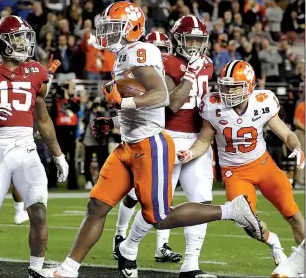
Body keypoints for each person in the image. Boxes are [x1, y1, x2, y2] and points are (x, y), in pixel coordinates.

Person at [29, 3, 263, 278]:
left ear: (133, 28)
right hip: (129, 144)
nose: (108, 33)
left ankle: (230, 210)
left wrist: (123, 100)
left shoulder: (140, 52)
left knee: (159, 218)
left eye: (115, 27)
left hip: (150, 146)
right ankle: (68, 269)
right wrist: (115, 120)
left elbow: (160, 96)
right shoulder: (125, 55)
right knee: (97, 205)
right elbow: (144, 106)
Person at [0, 15, 68, 278]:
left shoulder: (36, 72)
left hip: (27, 149)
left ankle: (36, 267)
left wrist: (58, 155)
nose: (24, 42)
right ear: (2, 42)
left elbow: (42, 118)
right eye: (17, 37)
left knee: (39, 211)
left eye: (24, 36)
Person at [113, 17, 217, 278]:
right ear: (177, 39)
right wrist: (191, 74)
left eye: (198, 40)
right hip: (167, 136)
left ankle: (191, 264)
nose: (193, 45)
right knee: (158, 204)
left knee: (202, 201)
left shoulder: (208, 65)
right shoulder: (165, 62)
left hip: (196, 140)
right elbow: (172, 103)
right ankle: (129, 245)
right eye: (189, 39)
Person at [178, 60, 305, 267]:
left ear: (249, 85)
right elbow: (203, 140)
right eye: (225, 86)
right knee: (247, 222)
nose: (227, 91)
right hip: (234, 172)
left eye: (234, 87)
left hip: (263, 165)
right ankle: (274, 242)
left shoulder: (262, 102)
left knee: (294, 215)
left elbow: (287, 134)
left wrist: (297, 148)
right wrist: (191, 154)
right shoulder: (212, 105)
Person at [293, 100, 305, 189]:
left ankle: (302, 179)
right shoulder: (302, 106)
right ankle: (299, 181)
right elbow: (296, 121)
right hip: (301, 133)